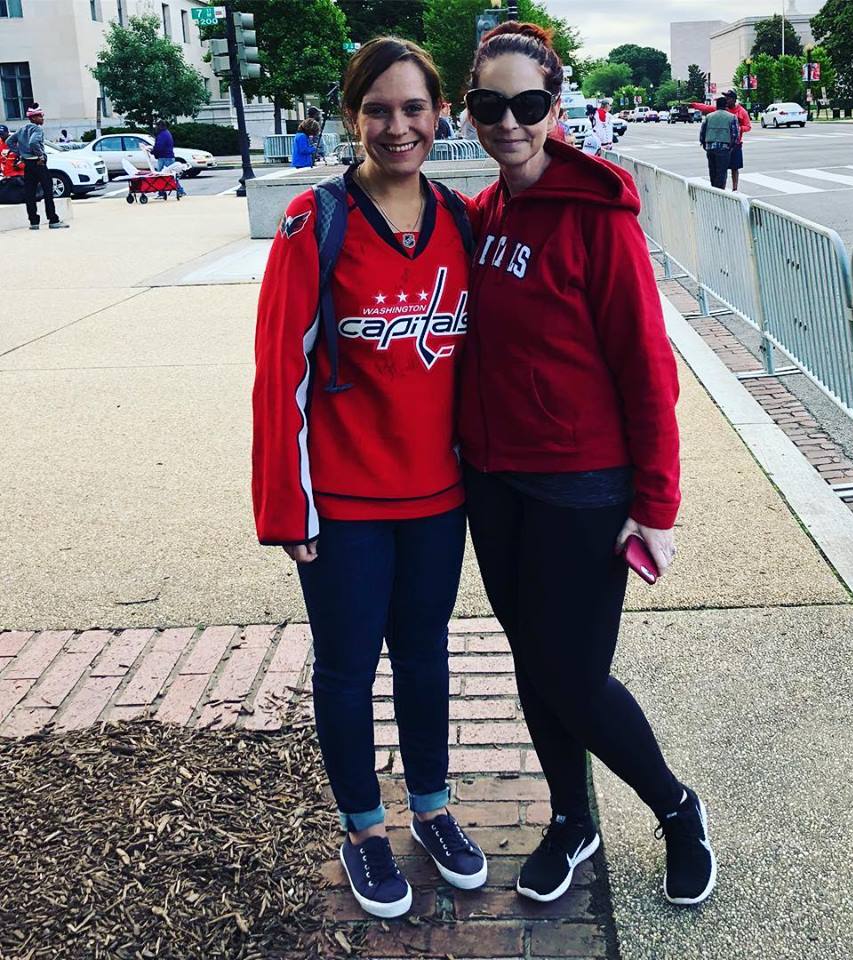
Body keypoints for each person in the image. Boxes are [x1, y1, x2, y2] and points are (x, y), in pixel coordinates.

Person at [461, 21, 716, 908]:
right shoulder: (484, 213)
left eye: (527, 105)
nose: (508, 123)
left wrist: (657, 504)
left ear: (555, 108)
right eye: (489, 106)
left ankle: (676, 808)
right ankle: (573, 817)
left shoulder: (596, 214)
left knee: (572, 672)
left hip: (580, 486)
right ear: (473, 110)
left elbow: (646, 366)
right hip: (493, 487)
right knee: (534, 665)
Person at [253, 36, 487, 921]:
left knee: (426, 656)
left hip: (438, 499)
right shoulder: (317, 225)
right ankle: (361, 828)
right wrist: (287, 503)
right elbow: (281, 374)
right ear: (352, 116)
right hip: (343, 505)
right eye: (379, 109)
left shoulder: (461, 222)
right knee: (348, 671)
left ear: (440, 115)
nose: (399, 126)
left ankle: (432, 807)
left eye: (415, 108)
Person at [7, 106, 68, 230]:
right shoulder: (37, 129)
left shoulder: (22, 129)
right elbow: (33, 142)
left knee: (30, 193)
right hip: (38, 163)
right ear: (33, 118)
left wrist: (20, 153)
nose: (42, 118)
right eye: (40, 116)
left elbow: (9, 141)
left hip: (28, 165)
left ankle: (34, 222)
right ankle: (53, 220)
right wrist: (40, 155)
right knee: (48, 190)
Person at [691, 88, 751, 191]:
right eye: (726, 98)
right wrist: (694, 105)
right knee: (719, 169)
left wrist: (738, 129)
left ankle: (734, 188)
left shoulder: (741, 112)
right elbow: (706, 107)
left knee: (734, 168)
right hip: (724, 144)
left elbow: (748, 127)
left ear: (734, 99)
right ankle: (718, 189)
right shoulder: (721, 110)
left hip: (735, 144)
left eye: (728, 98)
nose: (727, 100)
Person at [699, 95, 739, 189]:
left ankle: (713, 188)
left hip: (710, 147)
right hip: (724, 147)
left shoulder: (709, 116)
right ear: (726, 106)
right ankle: (719, 191)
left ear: (716, 106)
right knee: (722, 171)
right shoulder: (732, 117)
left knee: (713, 171)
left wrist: (704, 144)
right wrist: (731, 146)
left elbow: (702, 132)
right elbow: (735, 134)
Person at [152, 120, 185, 199]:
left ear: (160, 126)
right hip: (168, 156)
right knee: (171, 175)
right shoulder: (166, 133)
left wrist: (153, 151)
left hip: (164, 157)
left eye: (156, 126)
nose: (155, 128)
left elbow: (159, 147)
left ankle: (162, 192)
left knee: (161, 175)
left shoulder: (162, 135)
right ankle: (179, 190)